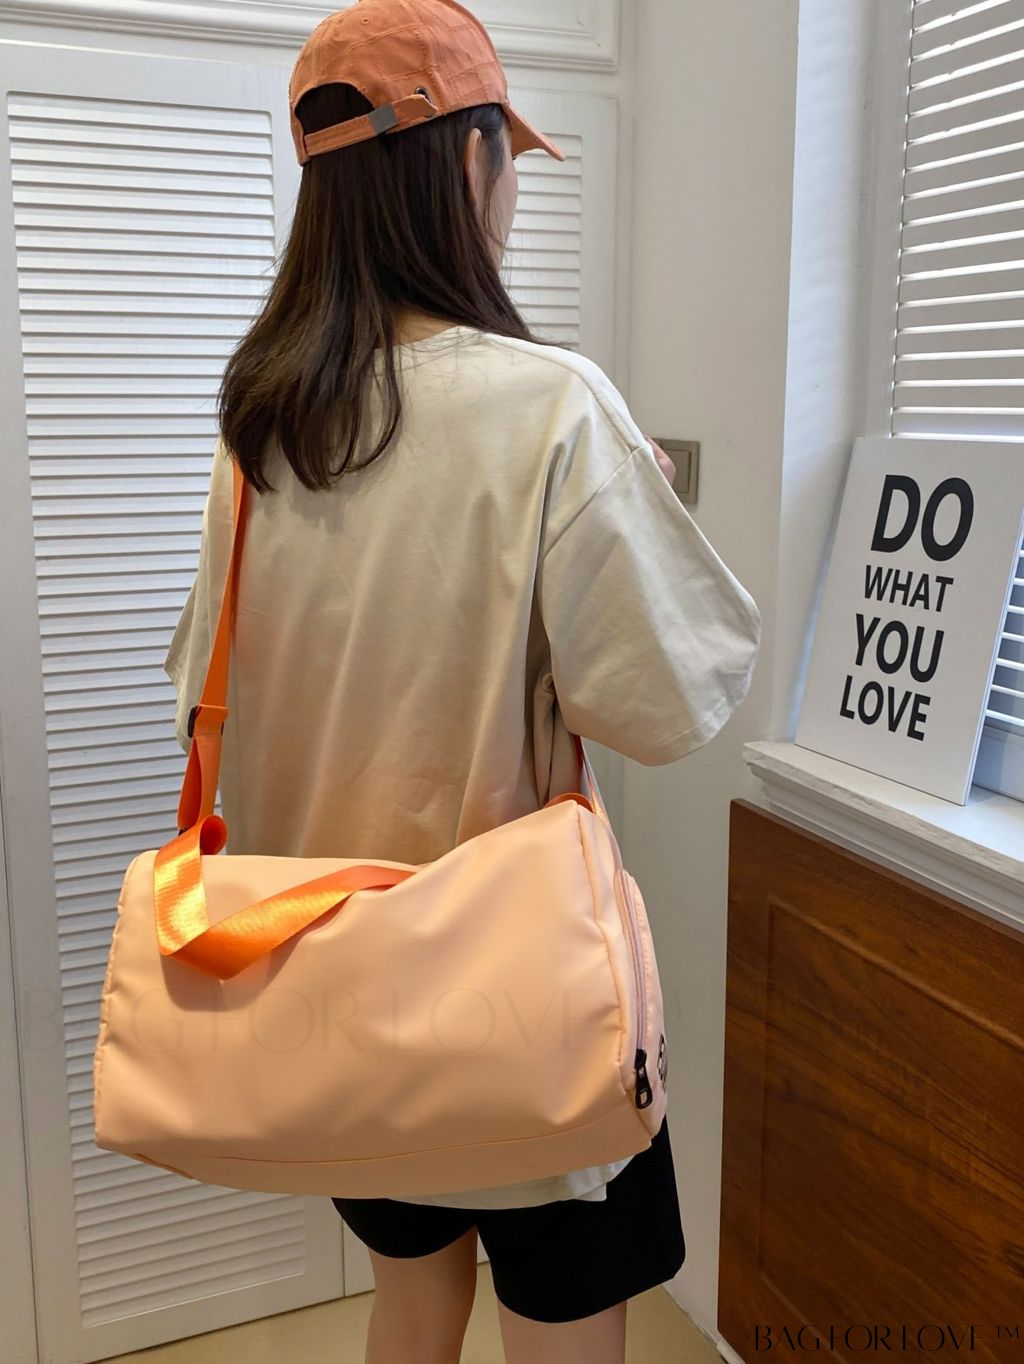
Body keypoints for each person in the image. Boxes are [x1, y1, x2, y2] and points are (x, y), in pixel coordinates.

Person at [162, 1, 762, 1359]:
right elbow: (667, 706)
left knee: (412, 1296)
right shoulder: (552, 408)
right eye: (506, 158)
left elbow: (211, 690)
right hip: (519, 1013)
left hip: (336, 993)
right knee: (565, 1325)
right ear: (470, 159)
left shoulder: (262, 426)